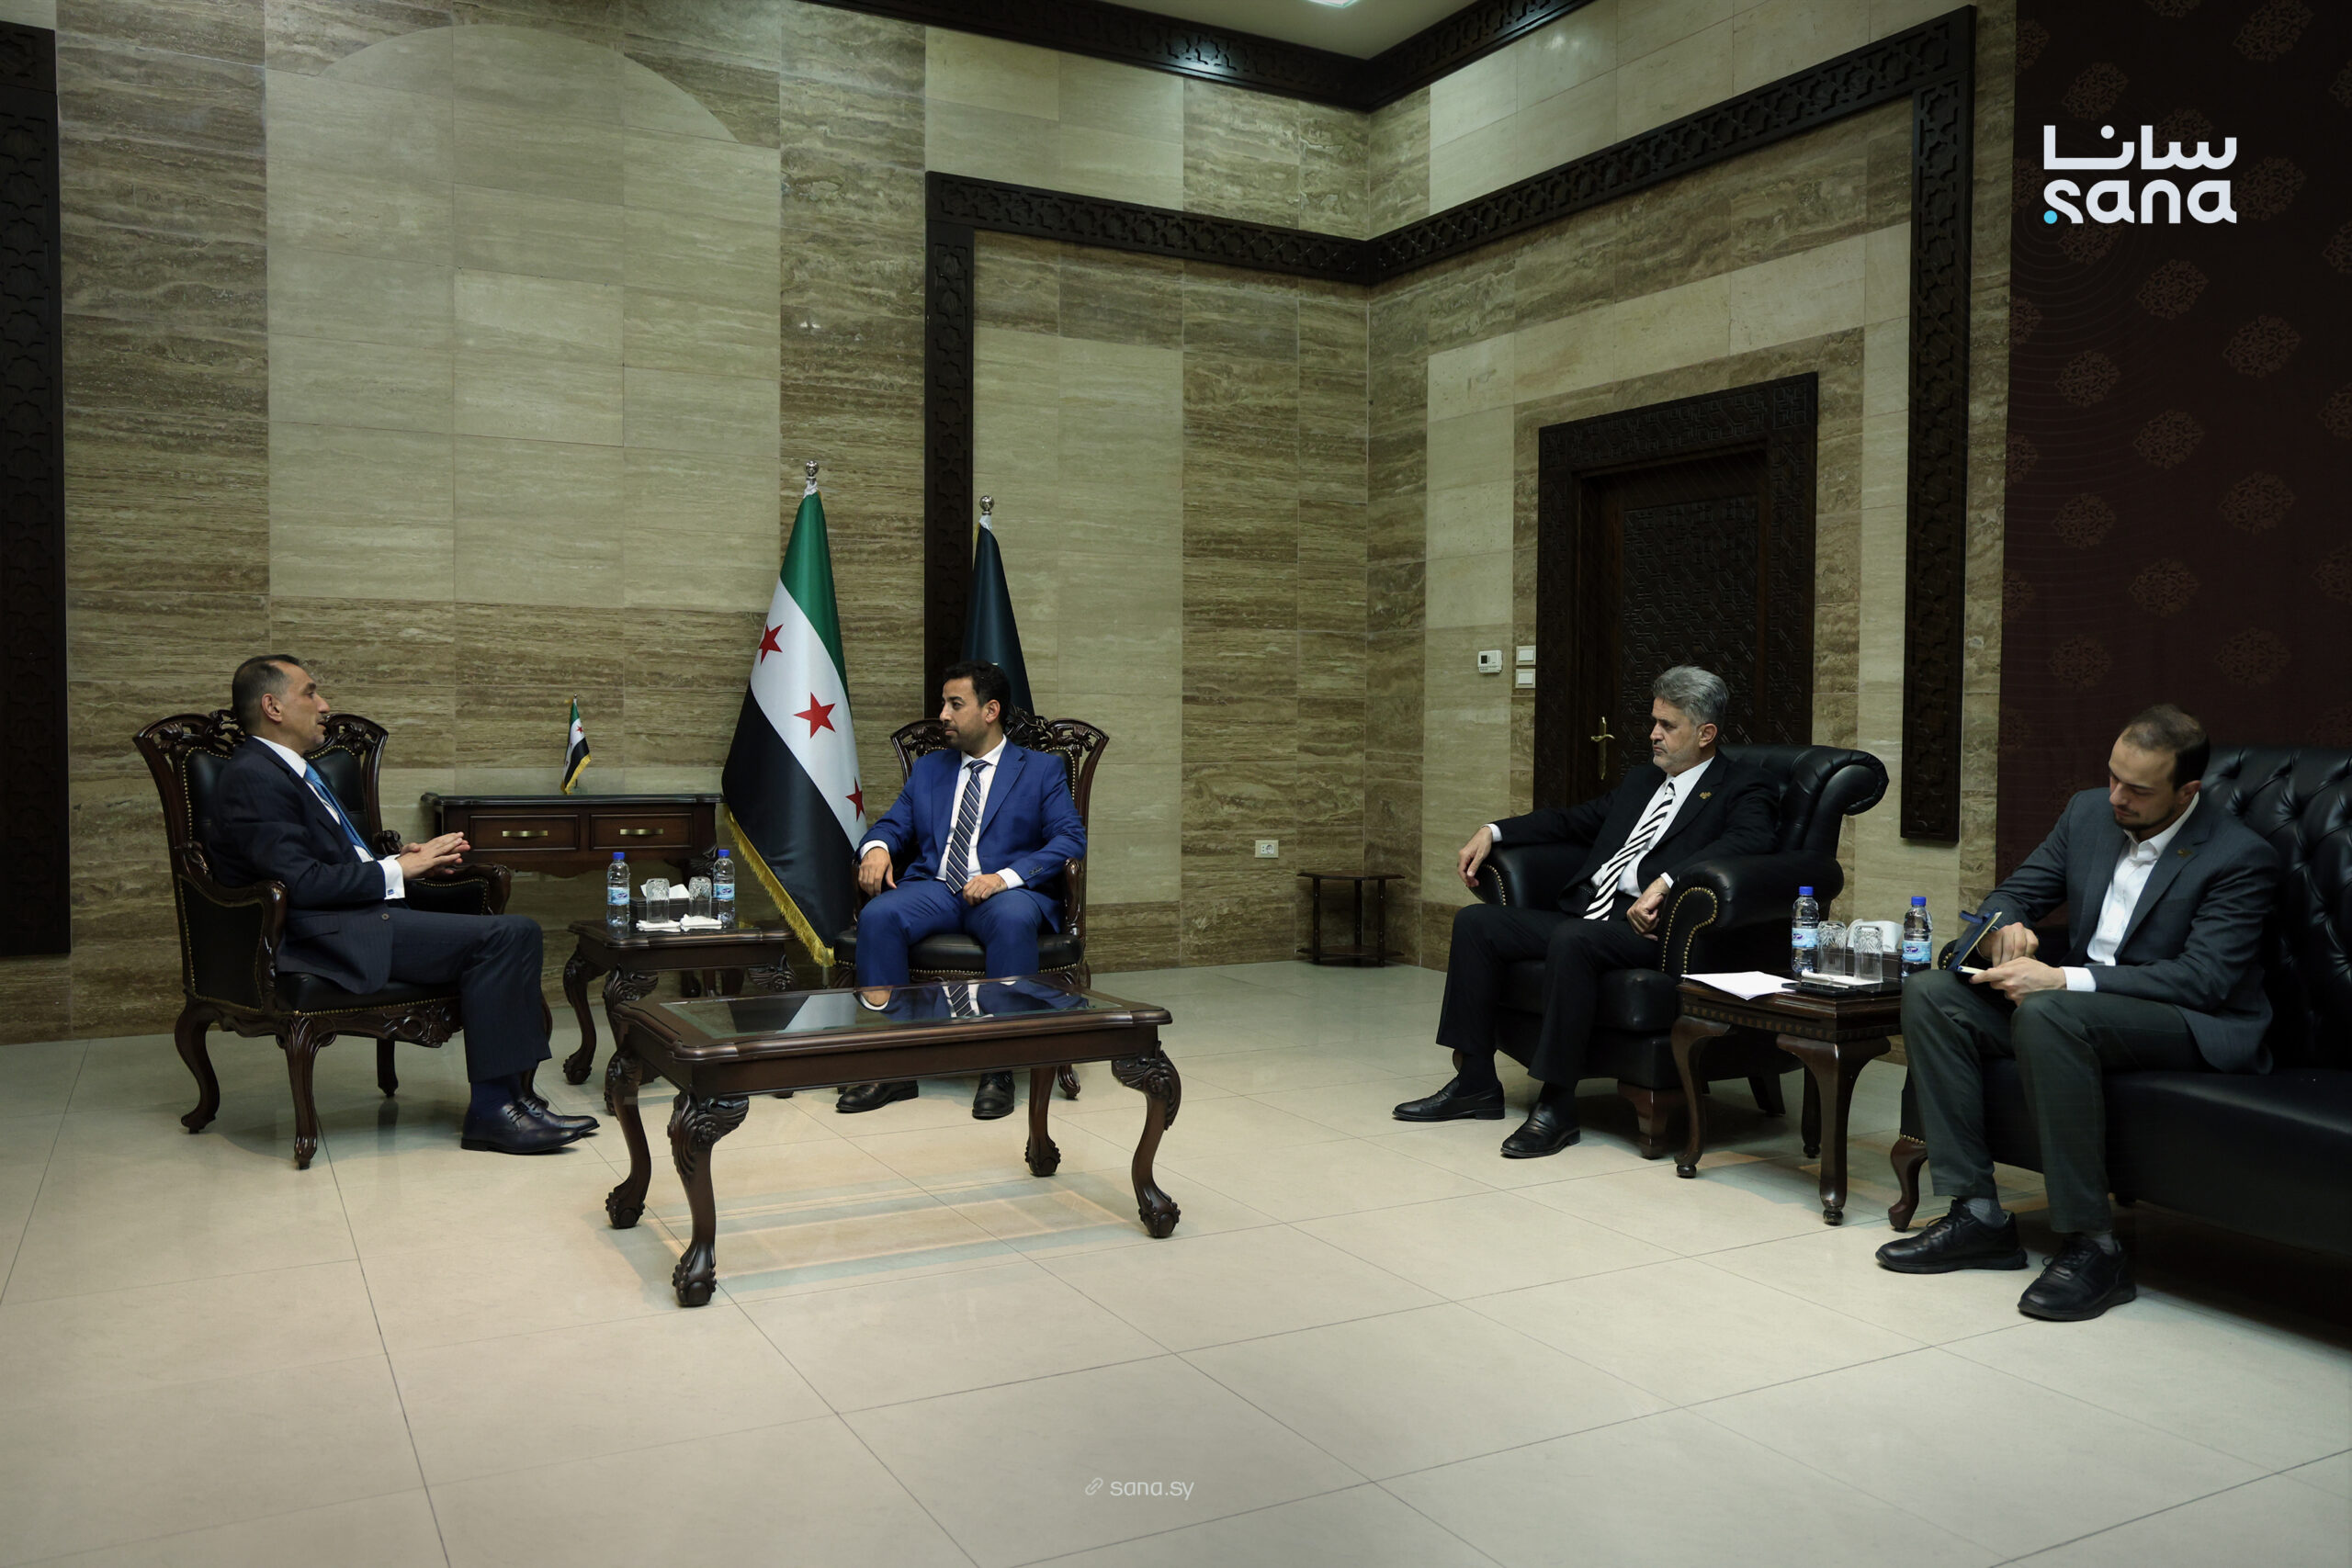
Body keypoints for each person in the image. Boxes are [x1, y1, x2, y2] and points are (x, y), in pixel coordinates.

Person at [1877, 705, 2278, 1321]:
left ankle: (2095, 1247)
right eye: (2113, 776)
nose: (2117, 796)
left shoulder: (2238, 856)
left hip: (2189, 1019)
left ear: (2187, 791)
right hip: (2082, 1008)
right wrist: (2004, 928)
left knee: (2049, 1013)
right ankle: (1977, 1215)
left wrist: (2063, 978)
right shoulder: (2088, 812)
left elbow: (2204, 979)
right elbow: (2014, 893)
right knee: (1932, 993)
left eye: (2137, 789)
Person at [205, 656, 594, 1155]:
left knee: (514, 933)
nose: (324, 705)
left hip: (357, 916)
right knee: (509, 934)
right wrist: (399, 871)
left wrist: (402, 861)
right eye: (310, 692)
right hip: (323, 934)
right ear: (272, 706)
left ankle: (519, 1101)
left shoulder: (291, 770)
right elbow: (301, 883)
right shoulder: (254, 776)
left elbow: (326, 860)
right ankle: (496, 1111)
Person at [1396, 665, 1778, 1156]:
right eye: (1654, 721)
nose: (1653, 734)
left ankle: (1557, 1105)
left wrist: (1667, 881)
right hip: (1589, 914)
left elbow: (1750, 841)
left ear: (1706, 734)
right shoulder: (1643, 781)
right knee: (1477, 923)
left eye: (1667, 726)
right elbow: (1570, 821)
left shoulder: (1743, 785)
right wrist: (1493, 831)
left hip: (1651, 930)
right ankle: (1474, 1082)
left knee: (1572, 939)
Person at [837, 660, 1087, 1120]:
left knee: (1012, 918)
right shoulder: (930, 768)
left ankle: (998, 1067)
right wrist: (876, 848)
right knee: (879, 915)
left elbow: (1070, 839)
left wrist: (1005, 877)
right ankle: (894, 1066)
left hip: (1004, 893)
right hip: (937, 887)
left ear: (990, 710)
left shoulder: (1041, 770)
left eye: (955, 704)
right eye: (943, 704)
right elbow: (893, 824)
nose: (943, 715)